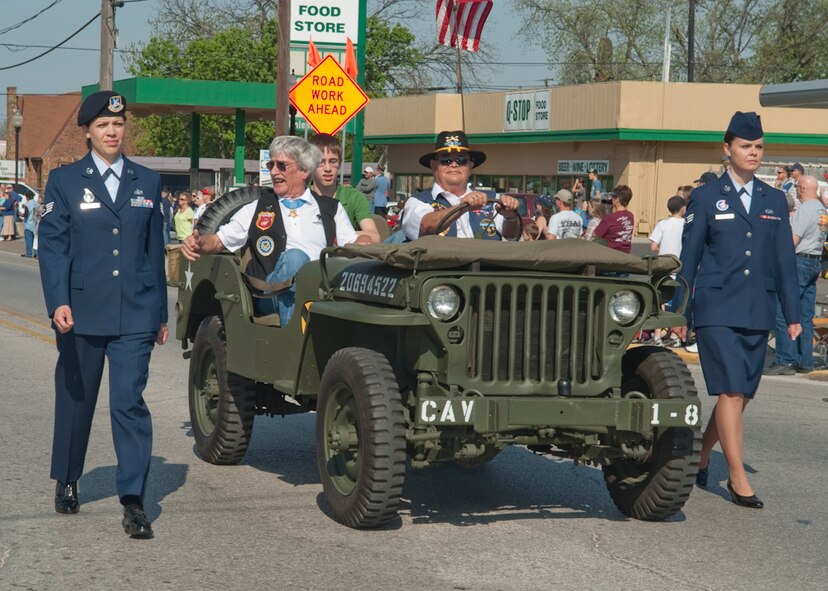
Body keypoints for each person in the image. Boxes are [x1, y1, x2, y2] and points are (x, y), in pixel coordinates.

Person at [37, 91, 168, 538]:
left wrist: (160, 312)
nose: (112, 132)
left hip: (134, 313)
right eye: (103, 126)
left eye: (118, 124)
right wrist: (58, 301)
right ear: (88, 131)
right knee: (77, 402)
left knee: (128, 402)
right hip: (81, 311)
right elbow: (53, 247)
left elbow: (154, 252)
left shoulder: (147, 182)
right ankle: (68, 477)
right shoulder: (65, 181)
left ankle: (133, 500)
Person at [678, 111, 800, 509]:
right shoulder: (706, 196)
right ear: (727, 148)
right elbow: (689, 257)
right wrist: (681, 310)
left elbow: (784, 261)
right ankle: (736, 476)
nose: (753, 153)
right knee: (731, 388)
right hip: (715, 306)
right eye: (746, 146)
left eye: (759, 147)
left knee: (740, 394)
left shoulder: (774, 200)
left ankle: (699, 455)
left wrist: (794, 314)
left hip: (757, 307)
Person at [180, 136, 370, 324]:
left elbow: (351, 245)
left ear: (304, 171)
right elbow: (218, 241)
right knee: (295, 258)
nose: (273, 172)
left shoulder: (331, 208)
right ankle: (296, 340)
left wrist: (364, 242)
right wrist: (198, 243)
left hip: (321, 290)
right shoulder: (257, 207)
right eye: (271, 165)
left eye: (282, 166)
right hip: (269, 292)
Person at [400, 130, 521, 241]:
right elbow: (425, 226)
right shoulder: (417, 201)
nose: (454, 165)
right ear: (433, 165)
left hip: (487, 265)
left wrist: (510, 217)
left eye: (461, 160)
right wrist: (463, 206)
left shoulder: (493, 199)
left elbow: (511, 236)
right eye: (446, 160)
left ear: (470, 166)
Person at [765, 175, 827, 375]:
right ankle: (805, 360)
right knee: (805, 314)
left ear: (800, 188)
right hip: (814, 260)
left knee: (784, 310)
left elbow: (792, 240)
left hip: (798, 261)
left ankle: (786, 359)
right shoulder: (821, 210)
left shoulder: (805, 210)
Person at [307, 133, 380, 243]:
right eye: (321, 162)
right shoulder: (301, 196)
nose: (328, 168)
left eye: (333, 161)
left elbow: (374, 235)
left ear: (340, 163)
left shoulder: (353, 197)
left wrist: (337, 234)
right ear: (310, 164)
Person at [593, 185, 635, 253]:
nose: (612, 199)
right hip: (626, 254)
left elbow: (596, 234)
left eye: (613, 197)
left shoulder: (610, 218)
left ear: (617, 199)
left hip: (612, 255)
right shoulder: (630, 216)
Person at [21, 192, 39, 257]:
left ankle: (29, 253)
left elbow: (26, 215)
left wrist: (21, 214)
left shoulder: (27, 204)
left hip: (28, 224)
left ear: (27, 197)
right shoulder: (36, 203)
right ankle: (36, 253)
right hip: (35, 223)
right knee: (35, 240)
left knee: (29, 239)